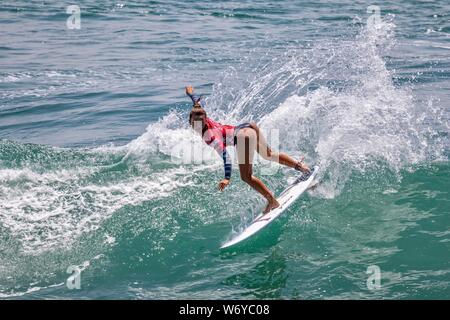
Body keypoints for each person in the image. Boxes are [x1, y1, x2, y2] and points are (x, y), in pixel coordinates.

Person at [186, 86, 310, 214]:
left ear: (204, 120)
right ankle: (302, 168)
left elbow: (226, 156)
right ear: (191, 121)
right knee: (268, 154)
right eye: (196, 123)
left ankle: (272, 201)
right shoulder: (200, 113)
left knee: (246, 177)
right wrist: (191, 94)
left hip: (243, 136)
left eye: (199, 123)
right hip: (249, 126)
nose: (198, 125)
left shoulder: (209, 135)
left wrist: (227, 178)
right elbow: (197, 104)